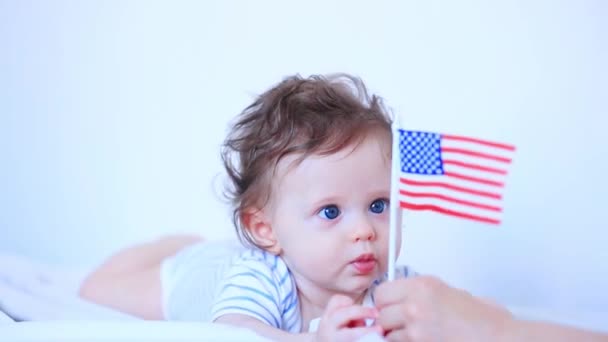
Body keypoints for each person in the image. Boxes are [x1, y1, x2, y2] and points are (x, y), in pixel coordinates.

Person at [80, 73, 608, 341]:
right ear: (265, 229)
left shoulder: (391, 282)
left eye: (379, 204)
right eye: (331, 212)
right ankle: (176, 245)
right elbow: (236, 336)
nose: (365, 233)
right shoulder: (259, 278)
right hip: (200, 274)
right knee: (101, 287)